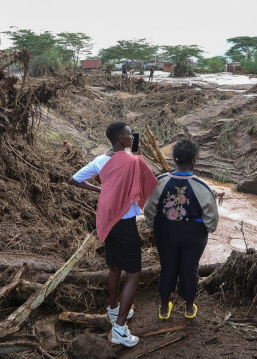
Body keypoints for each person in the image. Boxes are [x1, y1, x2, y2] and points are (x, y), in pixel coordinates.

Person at [68, 122, 157, 347]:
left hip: (108, 219)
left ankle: (114, 309)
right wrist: (139, 158)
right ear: (121, 139)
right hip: (125, 222)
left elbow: (74, 179)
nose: (131, 138)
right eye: (129, 135)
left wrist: (101, 190)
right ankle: (119, 329)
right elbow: (151, 183)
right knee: (135, 274)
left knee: (115, 267)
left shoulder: (100, 160)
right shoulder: (134, 161)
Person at [143, 139, 219, 320]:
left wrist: (153, 224)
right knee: (191, 268)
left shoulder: (160, 182)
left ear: (175, 160)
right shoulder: (203, 187)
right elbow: (212, 217)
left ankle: (163, 308)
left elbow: (149, 208)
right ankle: (189, 308)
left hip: (166, 232)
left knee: (167, 267)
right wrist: (207, 228)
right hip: (194, 235)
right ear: (194, 160)